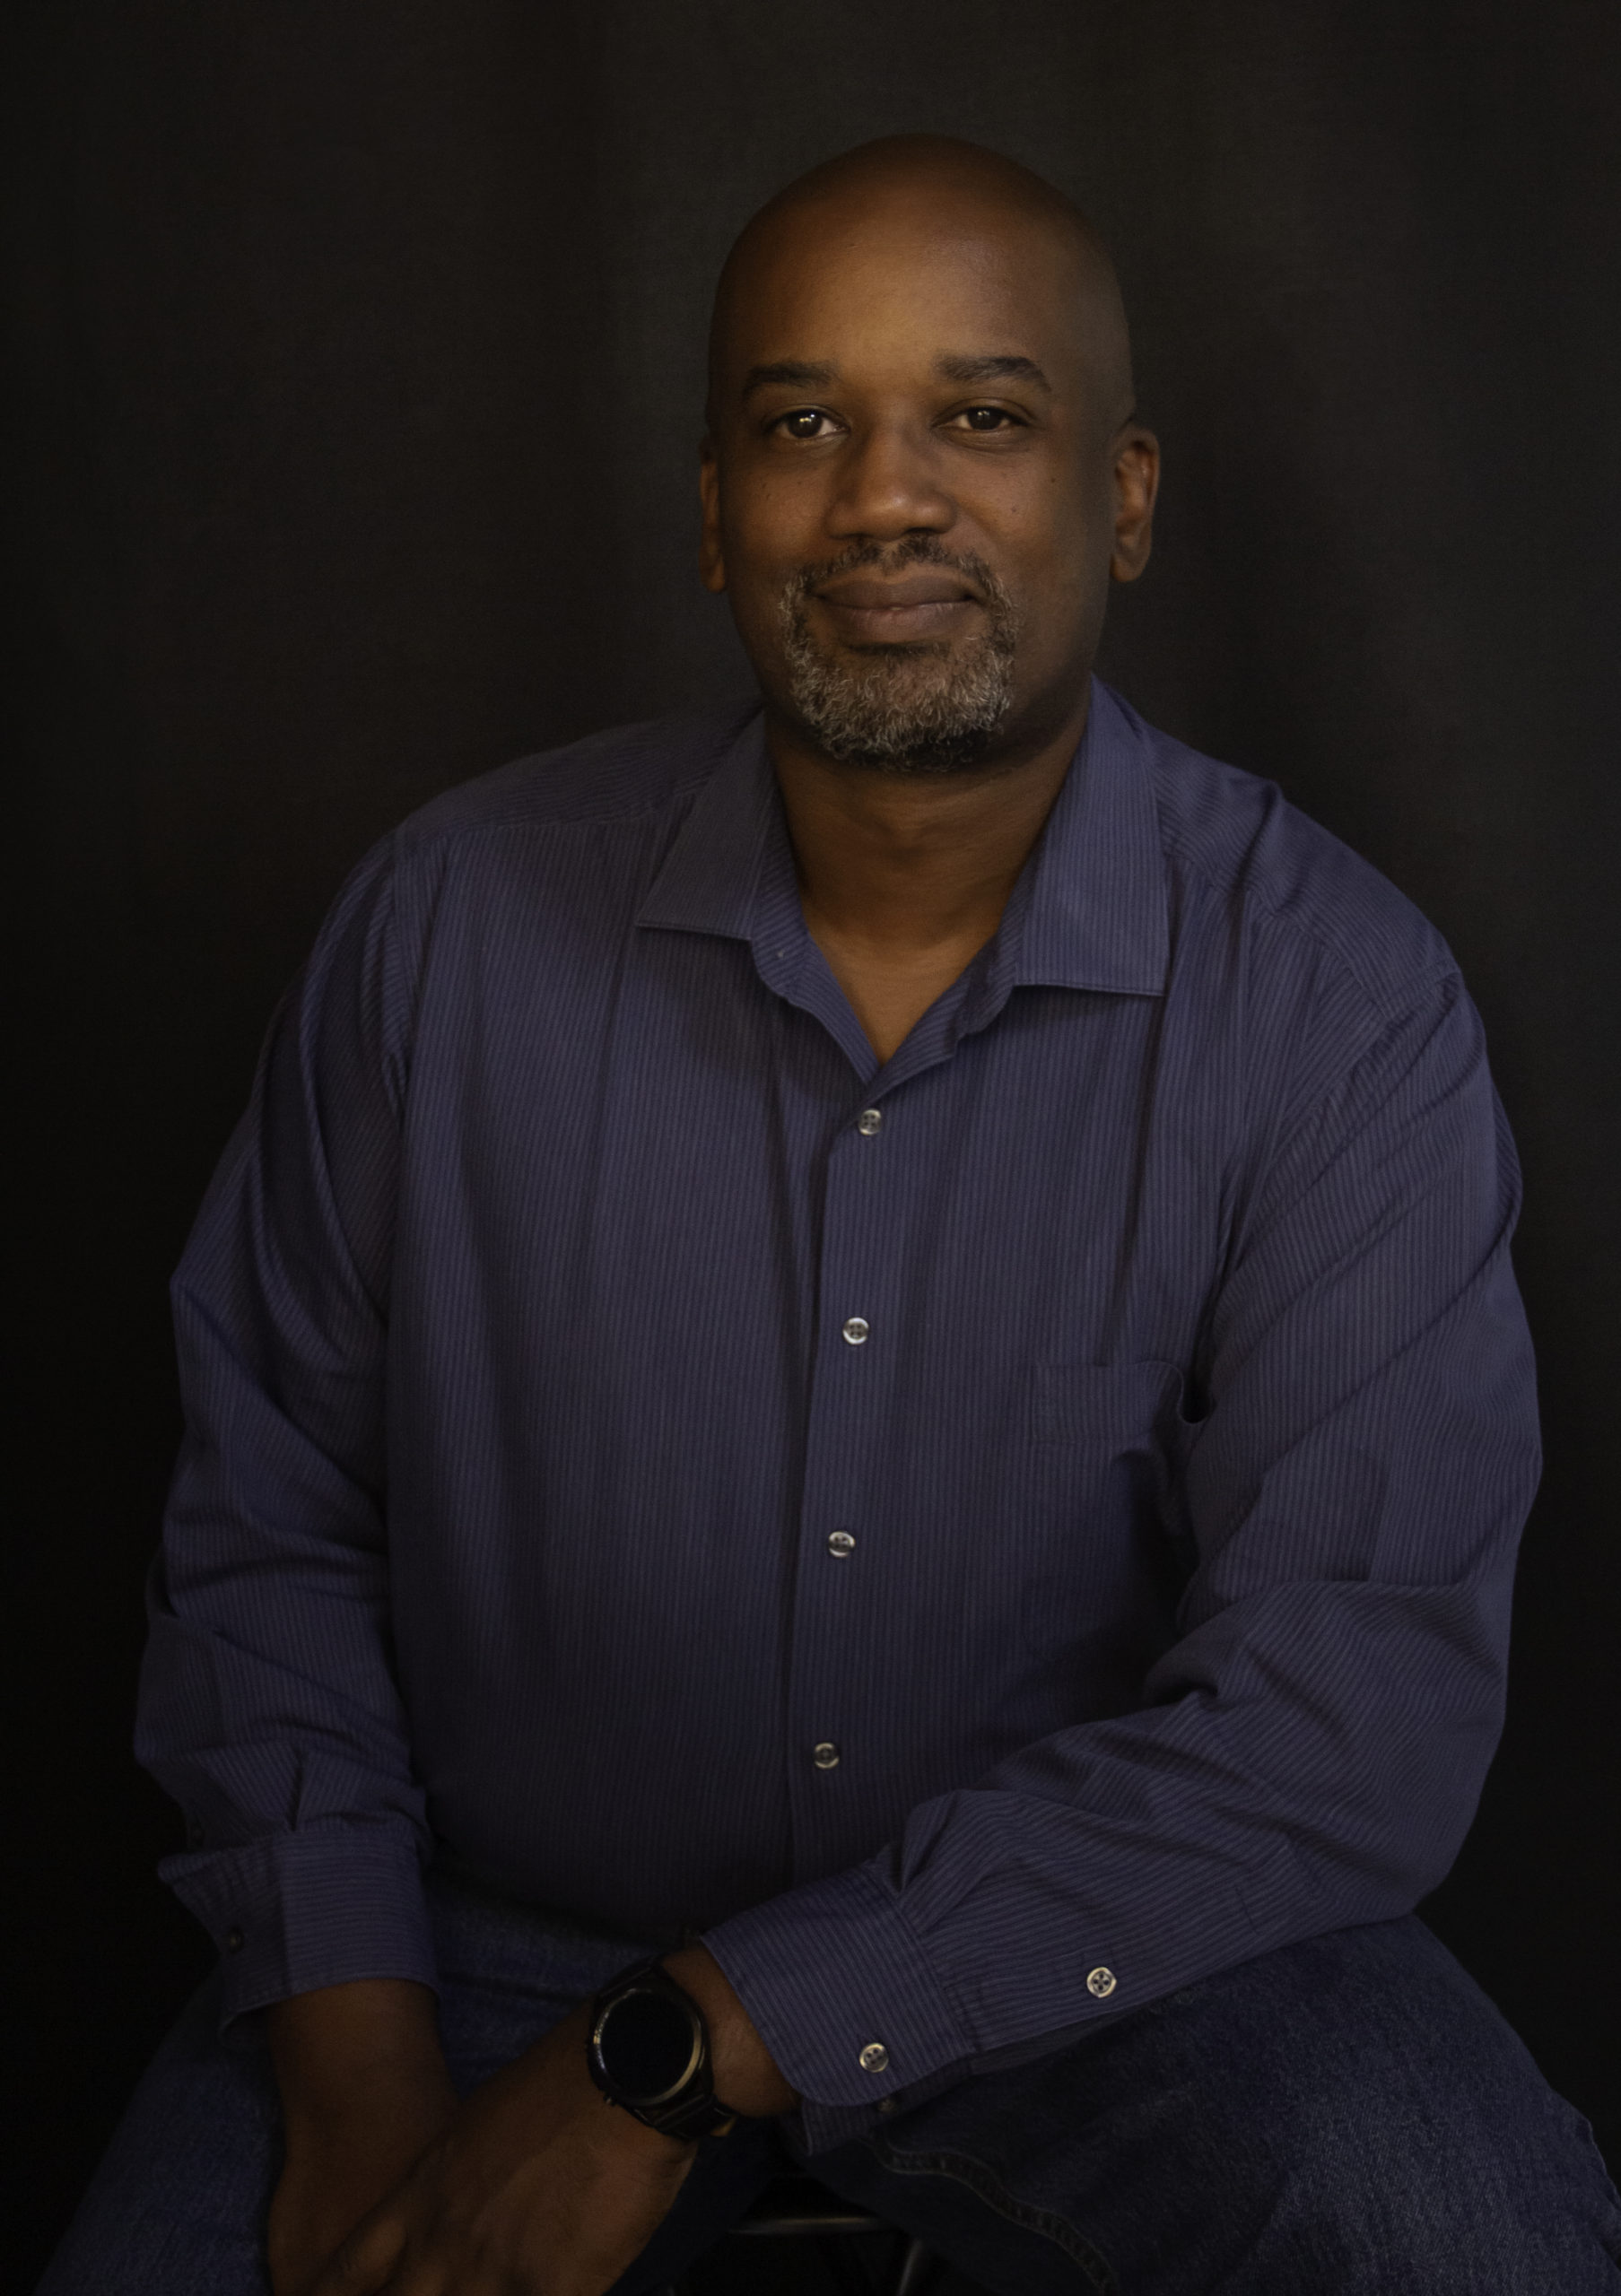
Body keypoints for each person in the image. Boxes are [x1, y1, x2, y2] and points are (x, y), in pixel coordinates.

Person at [40, 135, 1621, 2296]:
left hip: (1108, 1959)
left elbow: (1337, 1709)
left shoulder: (1338, 1004)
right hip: (489, 1942)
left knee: (1477, 2236)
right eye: (804, 425)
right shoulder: (446, 932)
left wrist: (693, 2041)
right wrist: (363, 2079)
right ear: (715, 509)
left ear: (1123, 497)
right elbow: (268, 1523)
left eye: (981, 415)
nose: (886, 497)